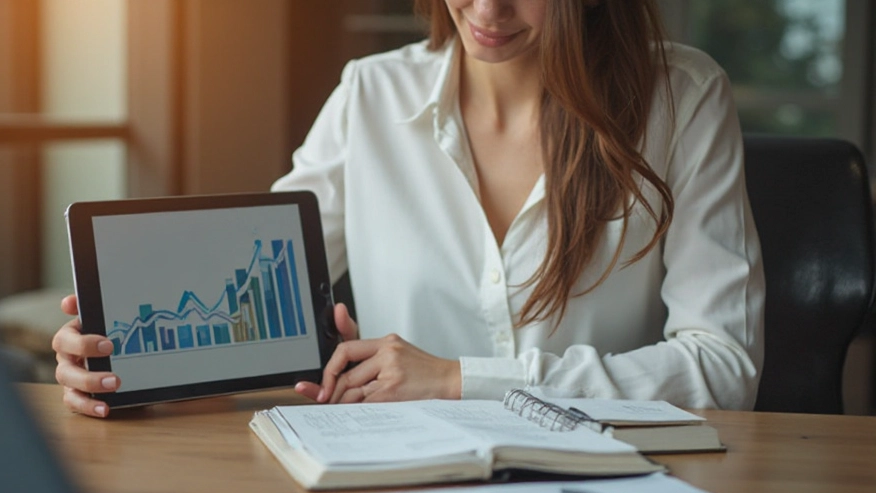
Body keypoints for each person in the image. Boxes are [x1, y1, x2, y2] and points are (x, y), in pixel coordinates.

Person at [53, 0, 764, 418]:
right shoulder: (371, 96)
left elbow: (723, 366)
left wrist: (459, 380)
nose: (487, 12)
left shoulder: (684, 98)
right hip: (400, 487)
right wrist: (117, 364)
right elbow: (237, 302)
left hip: (612, 486)